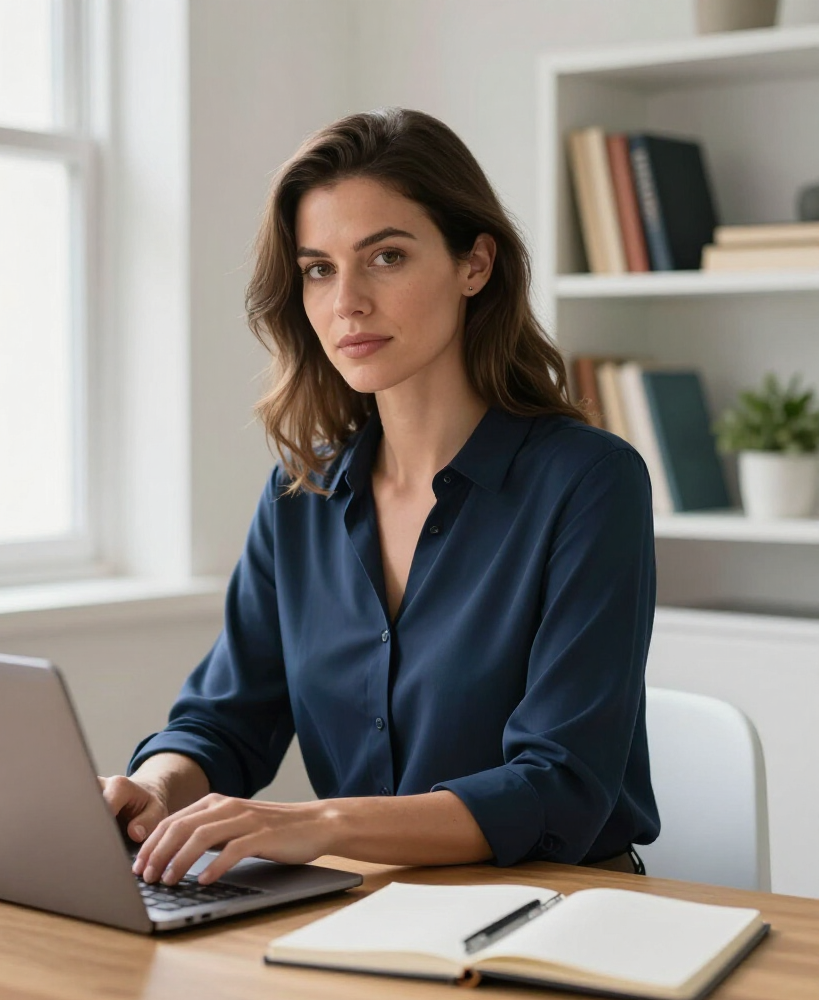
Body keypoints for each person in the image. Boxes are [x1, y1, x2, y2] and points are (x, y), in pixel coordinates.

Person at [101, 107, 659, 888]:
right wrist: (154, 791)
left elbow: (558, 783)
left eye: (386, 257)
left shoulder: (590, 482)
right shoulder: (301, 492)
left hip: (558, 909)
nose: (346, 303)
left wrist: (309, 824)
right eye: (319, 269)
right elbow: (225, 719)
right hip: (366, 909)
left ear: (476, 264)